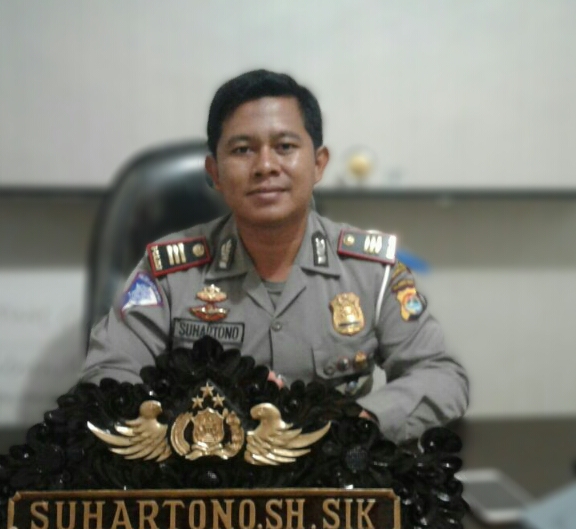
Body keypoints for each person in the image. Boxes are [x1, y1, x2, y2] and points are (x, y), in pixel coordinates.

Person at [81, 70, 468, 441]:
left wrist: (359, 422)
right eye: (243, 150)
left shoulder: (370, 272)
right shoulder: (169, 274)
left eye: (285, 147)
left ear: (318, 164)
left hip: (334, 476)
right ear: (214, 172)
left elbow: (441, 375)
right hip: (204, 472)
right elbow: (107, 376)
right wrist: (193, 421)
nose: (265, 166)